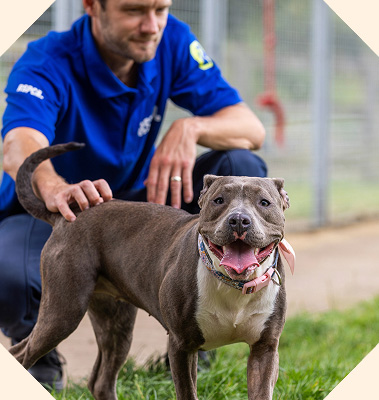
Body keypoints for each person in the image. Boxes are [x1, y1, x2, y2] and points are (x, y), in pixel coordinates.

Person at [0, 0, 267, 390]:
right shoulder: (48, 58)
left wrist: (190, 128)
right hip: (60, 209)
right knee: (12, 277)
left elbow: (250, 129)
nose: (151, 25)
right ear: (92, 6)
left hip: (136, 203)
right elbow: (19, 143)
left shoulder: (171, 38)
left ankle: (196, 327)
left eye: (160, 8)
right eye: (134, 10)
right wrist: (55, 186)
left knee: (238, 163)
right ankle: (39, 365)